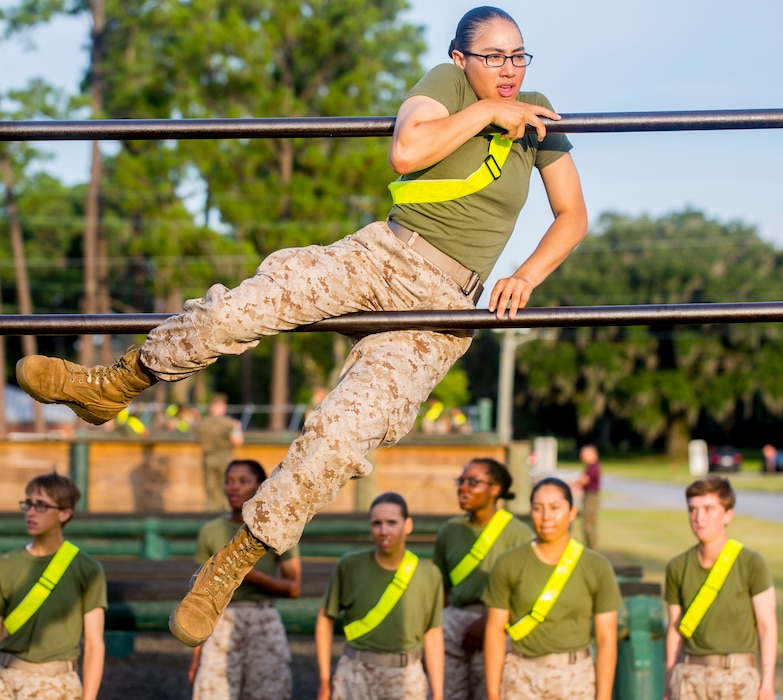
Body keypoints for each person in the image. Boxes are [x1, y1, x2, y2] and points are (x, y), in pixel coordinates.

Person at [15, 4, 588, 648]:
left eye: (518, 56)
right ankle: (114, 383)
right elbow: (407, 151)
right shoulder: (446, 86)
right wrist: (486, 113)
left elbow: (571, 214)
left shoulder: (537, 111)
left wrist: (527, 275)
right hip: (381, 258)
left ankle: (231, 563)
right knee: (245, 306)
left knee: (343, 436)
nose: (509, 71)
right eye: (493, 57)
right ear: (462, 60)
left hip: (442, 307)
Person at [483, 477, 620, 700]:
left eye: (555, 508)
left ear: (572, 512)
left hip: (576, 678)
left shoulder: (597, 567)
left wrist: (603, 696)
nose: (546, 517)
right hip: (521, 678)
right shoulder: (508, 563)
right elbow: (495, 631)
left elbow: (606, 638)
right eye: (538, 508)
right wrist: (492, 693)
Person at [188, 459, 301, 700]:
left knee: (269, 694)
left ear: (260, 486)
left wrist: (248, 574)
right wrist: (197, 655)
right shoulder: (210, 531)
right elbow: (199, 598)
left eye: (243, 481)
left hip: (263, 618)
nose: (234, 487)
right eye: (229, 481)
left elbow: (293, 587)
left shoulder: (276, 528)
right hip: (220, 622)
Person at [315, 492, 444, 700]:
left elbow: (433, 634)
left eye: (392, 522)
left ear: (408, 525)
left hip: (406, 678)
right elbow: (325, 618)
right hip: (355, 675)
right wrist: (324, 680)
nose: (383, 531)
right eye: (377, 523)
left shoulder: (429, 574)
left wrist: (438, 694)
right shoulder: (350, 565)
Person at [663, 475, 777, 700]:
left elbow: (766, 626)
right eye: (692, 510)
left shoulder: (751, 562)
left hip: (737, 679)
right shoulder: (677, 566)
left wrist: (767, 685)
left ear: (728, 515)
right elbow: (675, 631)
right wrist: (668, 686)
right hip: (689, 679)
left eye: (708, 509)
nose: (698, 518)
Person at [432, 458, 533, 700]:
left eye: (473, 482)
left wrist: (487, 625)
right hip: (453, 627)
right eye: (462, 481)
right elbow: (443, 590)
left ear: (495, 489)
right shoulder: (449, 531)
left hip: (497, 627)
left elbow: (527, 595)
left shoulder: (519, 534)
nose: (463, 487)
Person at [0, 473, 107, 700]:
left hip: (56, 686)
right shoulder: (5, 565)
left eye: (40, 506)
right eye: (27, 504)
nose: (30, 512)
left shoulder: (87, 569)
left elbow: (94, 644)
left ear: (64, 513)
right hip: (4, 681)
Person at [197, 394, 244, 511]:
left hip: (208, 460)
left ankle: (211, 517)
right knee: (227, 491)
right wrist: (237, 428)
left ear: (211, 407)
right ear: (223, 407)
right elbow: (238, 441)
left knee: (211, 492)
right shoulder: (230, 423)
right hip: (225, 460)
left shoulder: (203, 423)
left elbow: (198, 440)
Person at [573, 444, 601, 550]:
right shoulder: (590, 466)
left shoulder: (594, 467)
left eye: (584, 454)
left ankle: (593, 550)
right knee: (586, 524)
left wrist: (570, 486)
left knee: (589, 525)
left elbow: (583, 481)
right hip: (588, 496)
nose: (582, 456)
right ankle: (590, 548)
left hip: (591, 497)